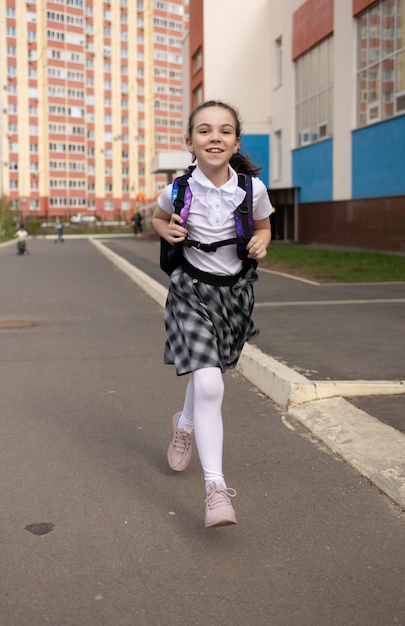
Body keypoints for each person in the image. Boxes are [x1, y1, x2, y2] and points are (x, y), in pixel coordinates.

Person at [152, 100, 273, 528]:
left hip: (234, 296)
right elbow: (158, 218)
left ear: (236, 141)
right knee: (209, 383)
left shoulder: (251, 189)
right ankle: (215, 490)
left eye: (224, 131)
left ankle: (184, 426)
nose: (214, 137)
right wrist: (167, 230)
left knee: (209, 377)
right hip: (190, 291)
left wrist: (262, 242)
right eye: (204, 131)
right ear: (190, 143)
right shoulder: (179, 189)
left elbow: (263, 226)